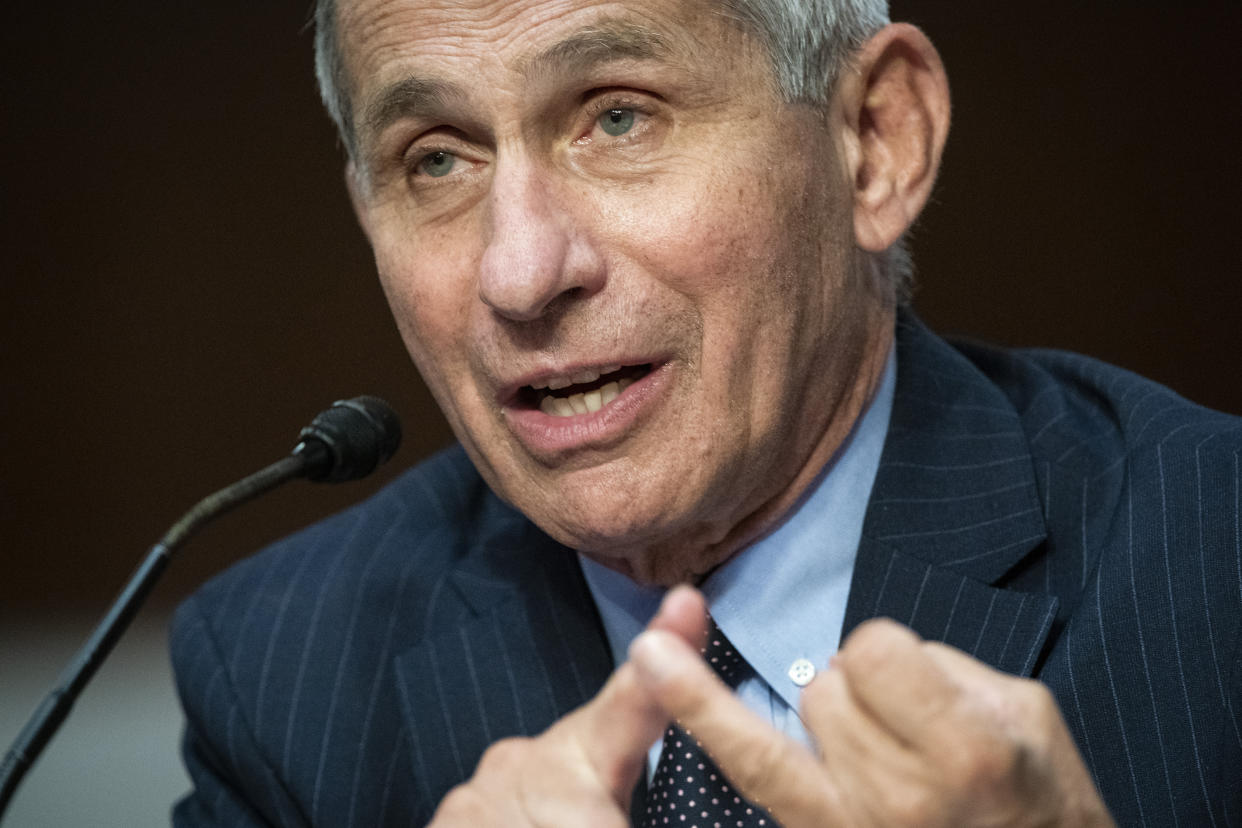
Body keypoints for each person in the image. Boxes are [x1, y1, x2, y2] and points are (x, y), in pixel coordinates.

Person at [169, 0, 1241, 825]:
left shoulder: (1213, 560)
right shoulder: (282, 675)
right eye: (437, 158)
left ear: (874, 139)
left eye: (619, 117)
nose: (522, 270)